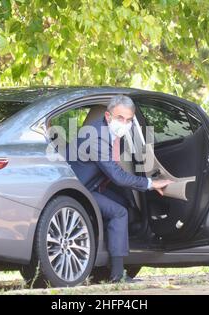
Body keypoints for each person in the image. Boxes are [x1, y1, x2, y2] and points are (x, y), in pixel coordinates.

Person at [68, 95, 172, 282]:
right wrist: (150, 184)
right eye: (120, 118)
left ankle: (104, 256)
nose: (124, 123)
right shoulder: (97, 137)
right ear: (108, 116)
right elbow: (116, 174)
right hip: (79, 191)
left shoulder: (115, 135)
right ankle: (117, 274)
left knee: (128, 206)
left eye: (129, 120)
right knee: (119, 212)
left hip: (92, 185)